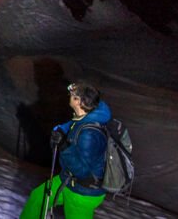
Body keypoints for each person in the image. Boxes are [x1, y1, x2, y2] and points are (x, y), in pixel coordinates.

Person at [19, 81, 110, 219]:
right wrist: (60, 130)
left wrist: (63, 145)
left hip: (82, 192)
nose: (69, 96)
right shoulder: (85, 116)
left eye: (72, 95)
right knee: (38, 198)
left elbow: (82, 171)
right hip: (67, 179)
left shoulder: (90, 134)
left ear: (78, 101)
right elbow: (73, 124)